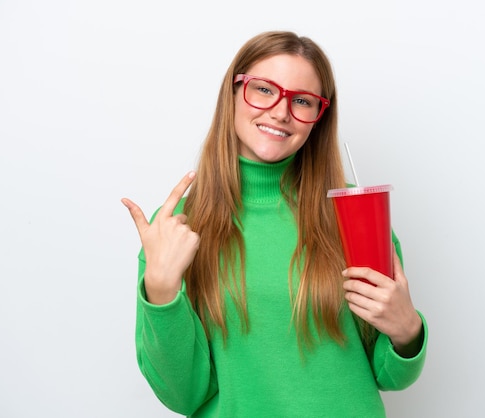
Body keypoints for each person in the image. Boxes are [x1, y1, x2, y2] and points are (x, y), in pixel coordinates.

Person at [121, 30, 427, 417]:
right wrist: (162, 292)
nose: (281, 111)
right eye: (264, 90)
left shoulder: (353, 214)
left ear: (319, 116)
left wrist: (407, 332)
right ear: (233, 92)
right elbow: (183, 395)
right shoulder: (177, 227)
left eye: (302, 100)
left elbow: (389, 375)